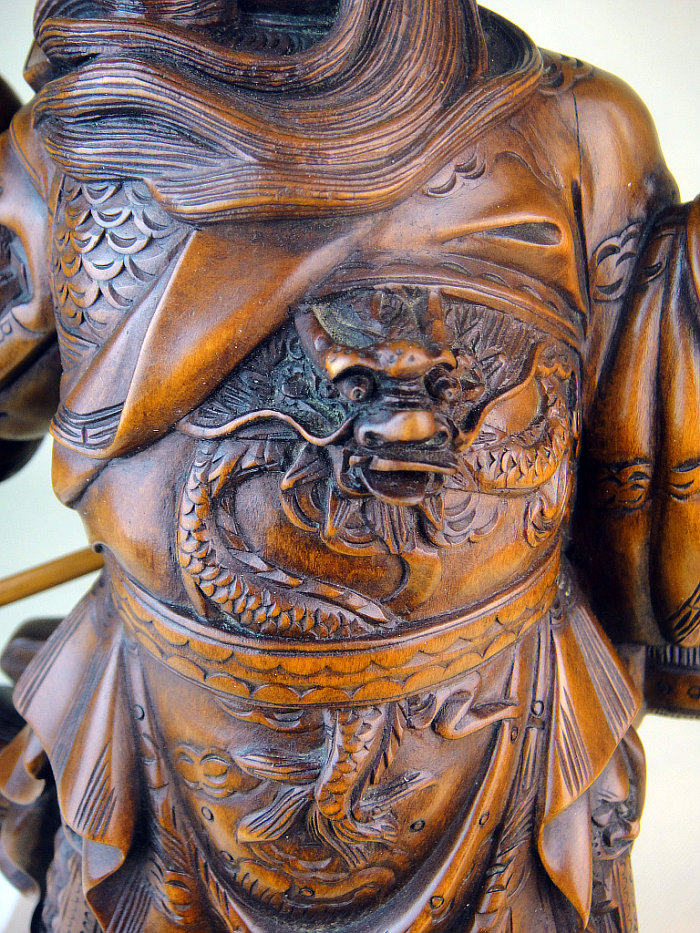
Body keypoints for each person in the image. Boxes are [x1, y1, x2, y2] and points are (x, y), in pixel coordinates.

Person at [0, 2, 697, 930]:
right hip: (156, 751)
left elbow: (634, 495)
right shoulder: (68, 145)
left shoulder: (578, 129)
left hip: (501, 748)